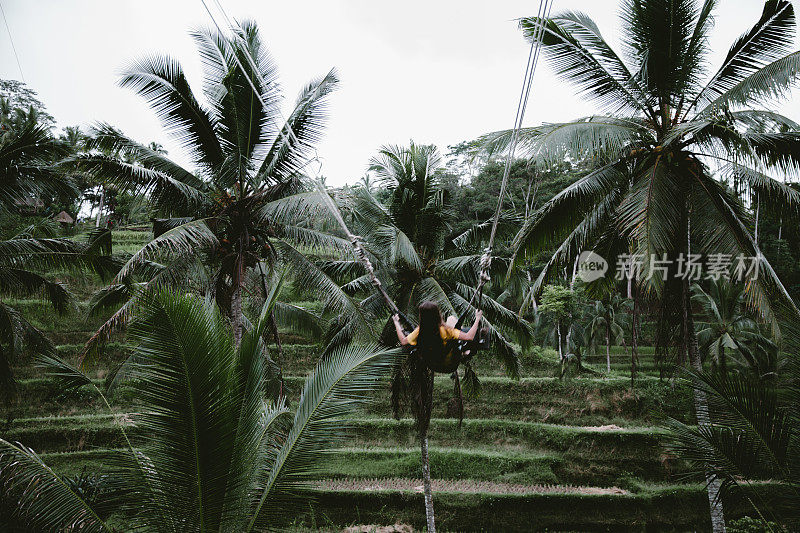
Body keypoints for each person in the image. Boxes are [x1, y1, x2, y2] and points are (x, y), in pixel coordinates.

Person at [392, 301, 483, 370]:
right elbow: (469, 337)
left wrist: (396, 322)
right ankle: (464, 351)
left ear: (421, 316)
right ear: (437, 314)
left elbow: (403, 341)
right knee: (451, 319)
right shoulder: (446, 331)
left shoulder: (419, 332)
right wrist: (477, 318)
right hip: (449, 363)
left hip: (432, 365)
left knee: (453, 327)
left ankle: (464, 350)